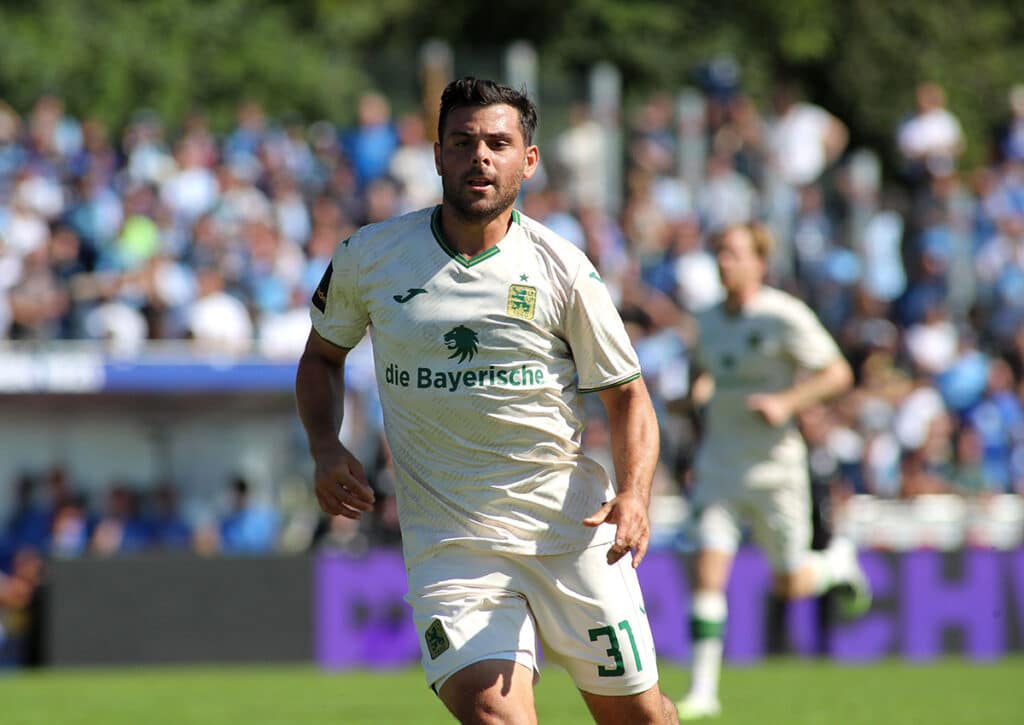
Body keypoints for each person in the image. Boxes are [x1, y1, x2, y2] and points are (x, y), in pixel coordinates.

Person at [296, 77, 677, 724]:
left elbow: (627, 397)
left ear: (528, 160)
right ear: (438, 154)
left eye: (499, 143)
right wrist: (325, 446)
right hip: (452, 545)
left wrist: (636, 493)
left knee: (639, 716)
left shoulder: (563, 269)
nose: (481, 156)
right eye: (464, 141)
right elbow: (321, 358)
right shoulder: (371, 256)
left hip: (570, 534)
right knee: (497, 717)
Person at [675, 223, 870, 720]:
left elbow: (838, 373)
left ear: (760, 263)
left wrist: (788, 401)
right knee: (707, 570)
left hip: (775, 469)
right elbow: (703, 372)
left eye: (735, 253)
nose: (724, 262)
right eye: (719, 252)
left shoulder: (784, 315)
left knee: (791, 582)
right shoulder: (708, 319)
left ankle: (837, 564)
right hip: (719, 462)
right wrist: (696, 395)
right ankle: (703, 691)